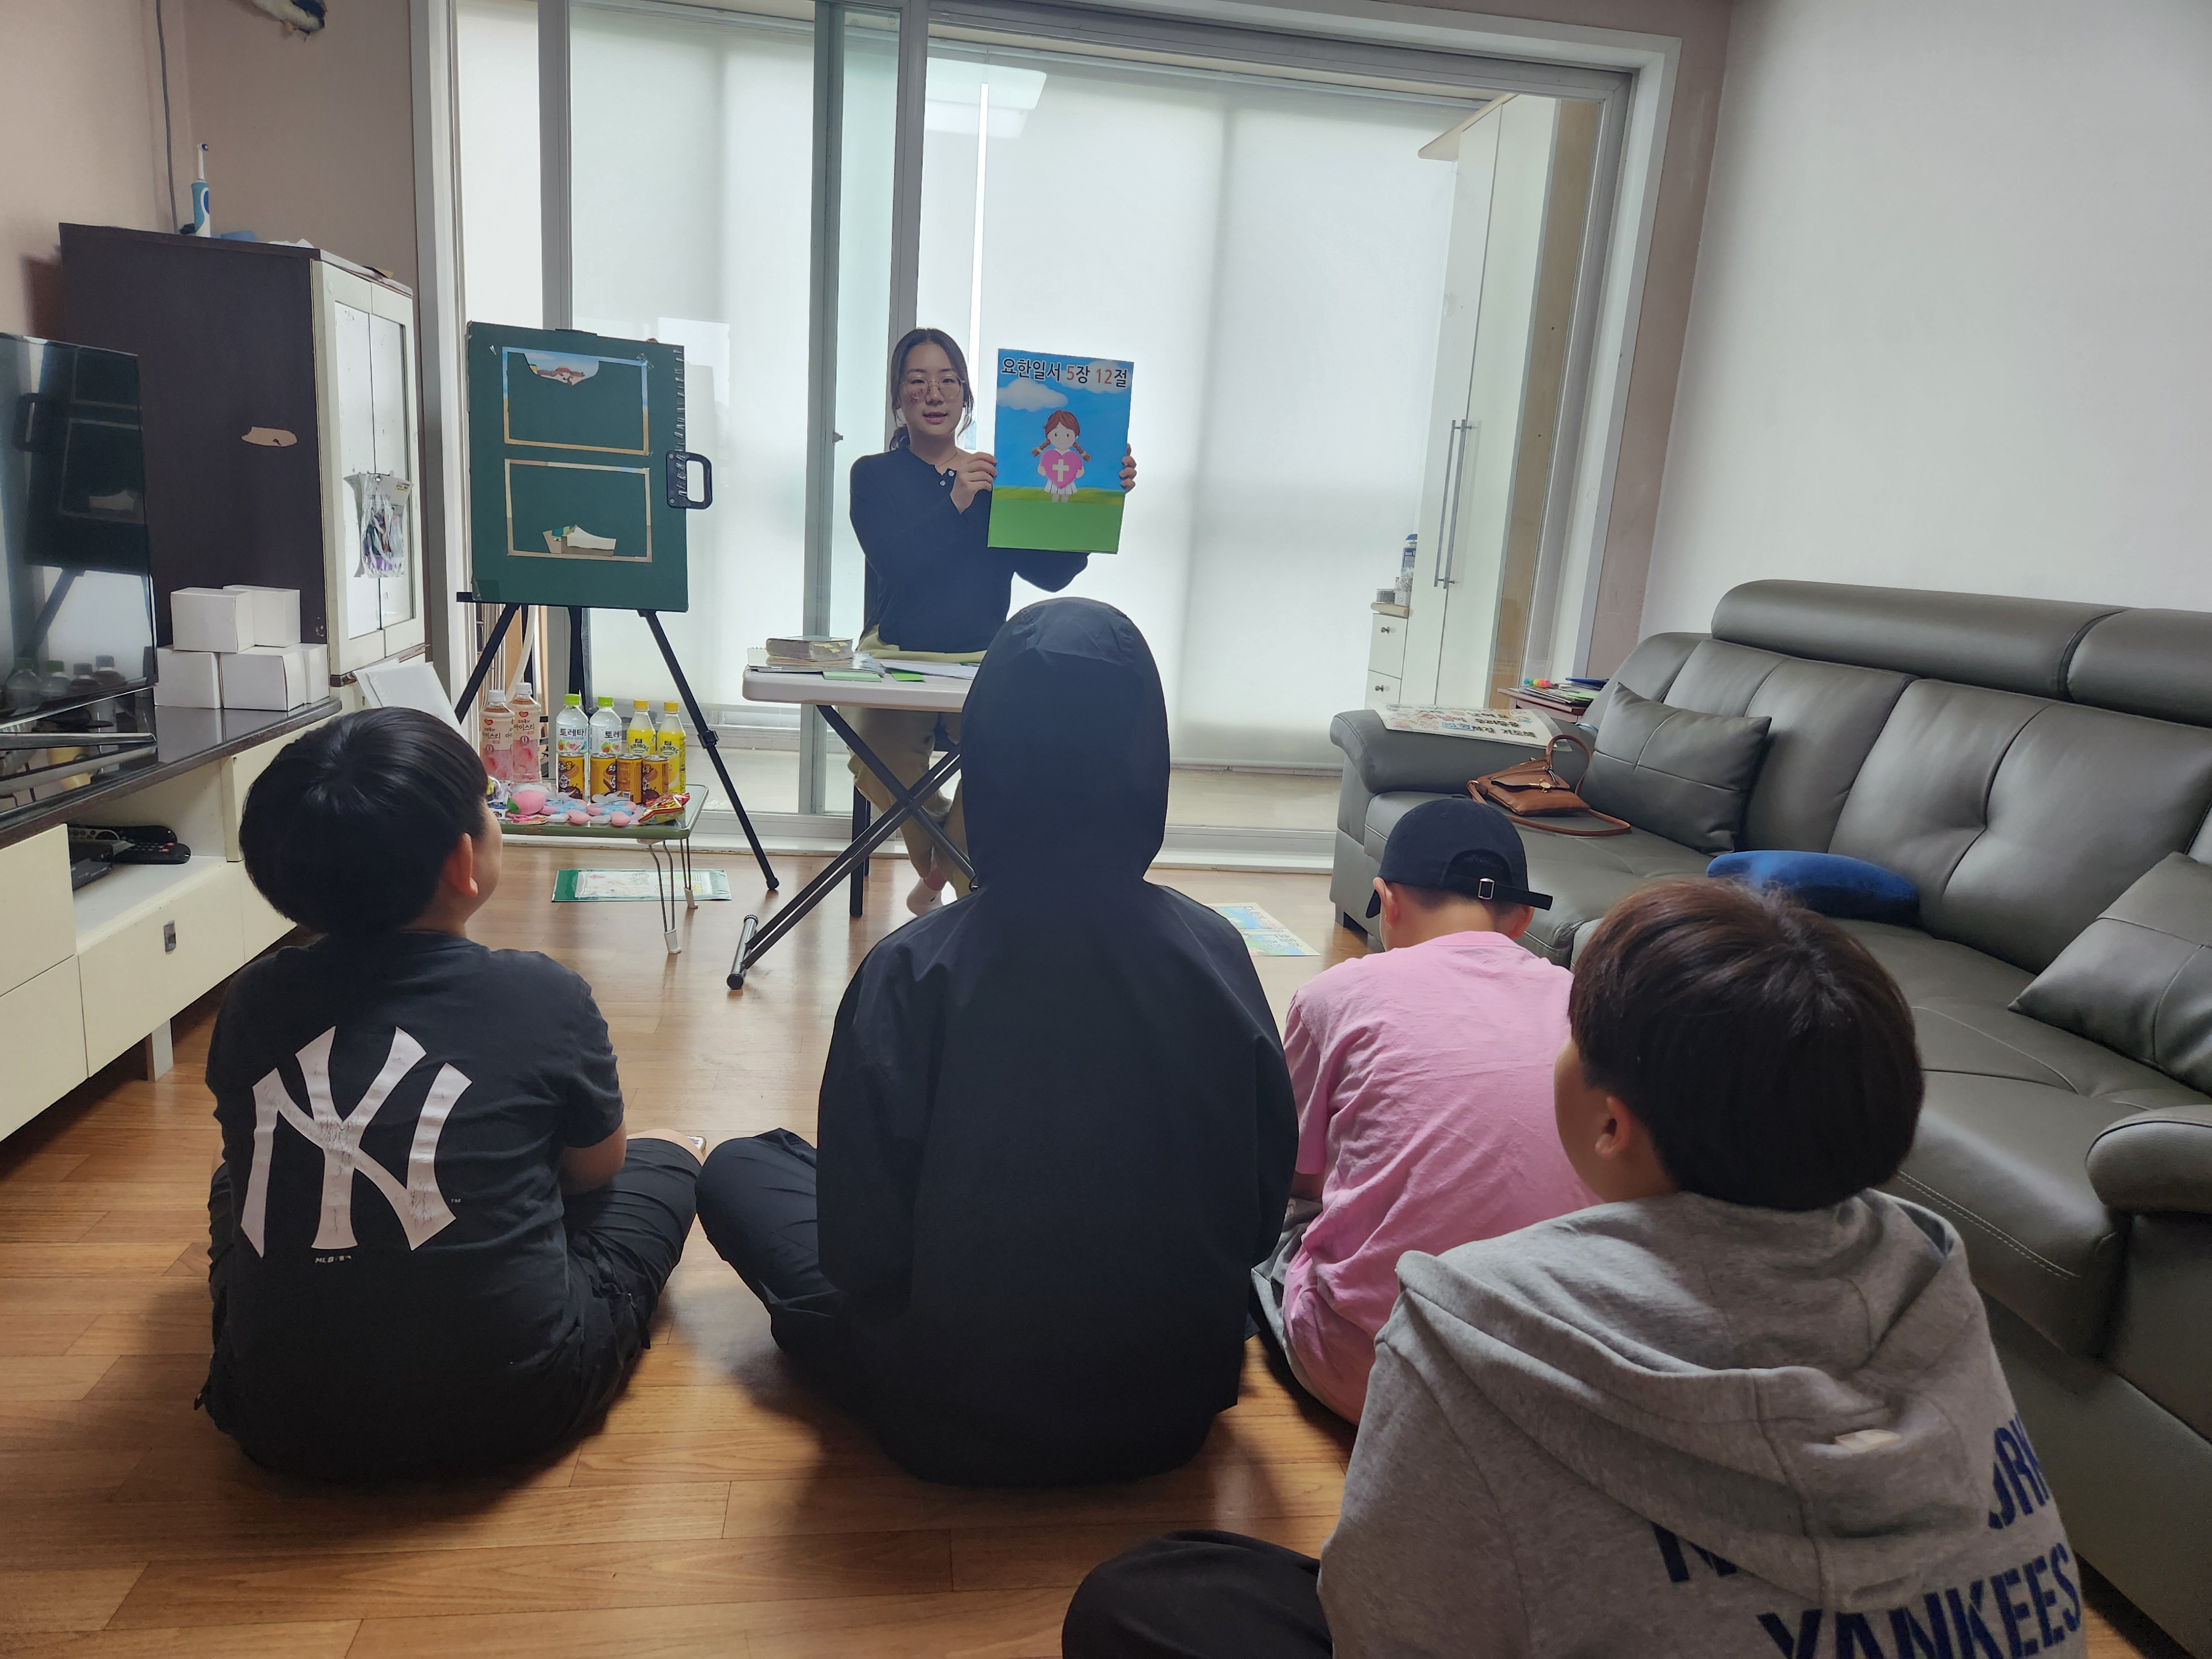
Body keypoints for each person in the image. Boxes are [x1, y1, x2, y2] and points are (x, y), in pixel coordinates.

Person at [1066, 881, 2077, 1658]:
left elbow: (1384, 1632)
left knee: (1146, 1600)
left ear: (1612, 1123)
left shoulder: (1470, 1323)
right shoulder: (1934, 1270)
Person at [694, 597, 1297, 1487]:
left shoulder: (913, 967)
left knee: (741, 1168)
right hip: (1173, 1410)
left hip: (948, 1412)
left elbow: (859, 1253)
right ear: (1149, 762)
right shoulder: (1218, 952)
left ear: (987, 762)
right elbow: (1258, 1216)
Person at [199, 708, 701, 1479]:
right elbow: (597, 1171)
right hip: (519, 1404)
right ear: (464, 861)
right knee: (666, 1160)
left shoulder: (253, 998)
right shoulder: (543, 993)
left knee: (237, 1179)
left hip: (274, 1419)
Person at [1250, 796, 1593, 1423]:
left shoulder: (1337, 993)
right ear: (1521, 918)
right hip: (1554, 1381)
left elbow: (1290, 1172)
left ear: (1388, 902)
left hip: (1374, 1376)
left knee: (1264, 1212)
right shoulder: (1588, 1003)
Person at [846, 327, 1137, 914]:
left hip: (984, 659)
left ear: (966, 395)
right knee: (874, 753)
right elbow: (897, 564)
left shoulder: (999, 476)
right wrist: (955, 501)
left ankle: (942, 878)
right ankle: (955, 875)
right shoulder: (873, 474)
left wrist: (1098, 494)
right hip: (898, 654)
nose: (934, 394)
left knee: (1016, 760)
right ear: (898, 397)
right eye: (917, 381)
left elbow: (1050, 575)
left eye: (948, 380)